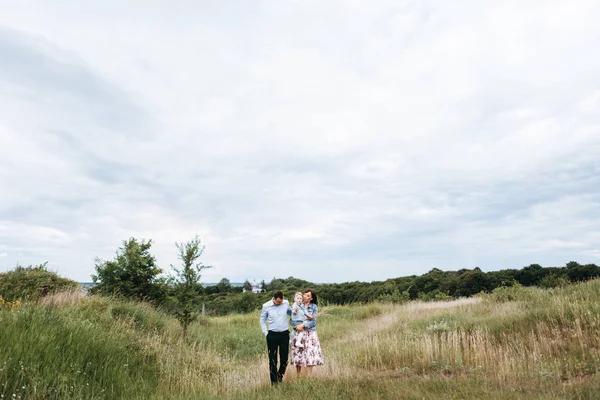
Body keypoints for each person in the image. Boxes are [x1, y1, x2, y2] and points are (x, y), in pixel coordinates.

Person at [260, 290, 292, 385]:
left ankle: (279, 376)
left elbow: (290, 314)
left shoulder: (286, 303)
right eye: (278, 302)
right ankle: (274, 383)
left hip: (284, 334)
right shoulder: (266, 306)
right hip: (272, 335)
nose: (279, 303)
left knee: (285, 359)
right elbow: (262, 320)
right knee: (273, 360)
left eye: (281, 302)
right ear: (274, 299)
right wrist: (266, 333)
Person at [290, 288, 324, 377]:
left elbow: (313, 322)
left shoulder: (313, 307)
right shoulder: (296, 305)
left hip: (310, 333)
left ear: (311, 298)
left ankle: (309, 377)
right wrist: (296, 326)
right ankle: (298, 376)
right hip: (298, 332)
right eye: (305, 294)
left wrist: (303, 325)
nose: (305, 296)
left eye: (308, 295)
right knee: (298, 354)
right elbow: (292, 319)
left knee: (310, 354)